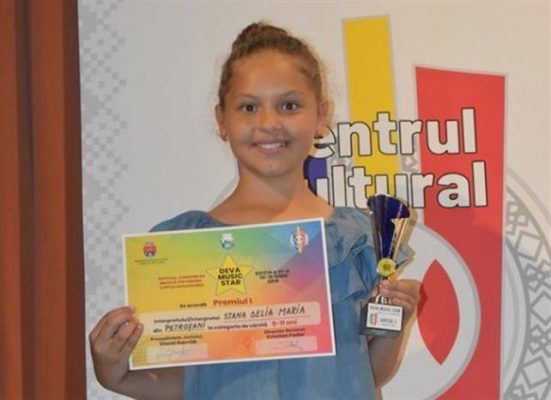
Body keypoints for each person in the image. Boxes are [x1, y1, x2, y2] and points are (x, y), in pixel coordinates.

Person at [89, 22, 421, 400]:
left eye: (289, 105)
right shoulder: (184, 245)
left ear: (321, 115)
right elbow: (191, 385)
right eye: (249, 107)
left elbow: (368, 373)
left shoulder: (356, 241)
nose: (268, 123)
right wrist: (112, 372)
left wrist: (397, 318)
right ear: (222, 120)